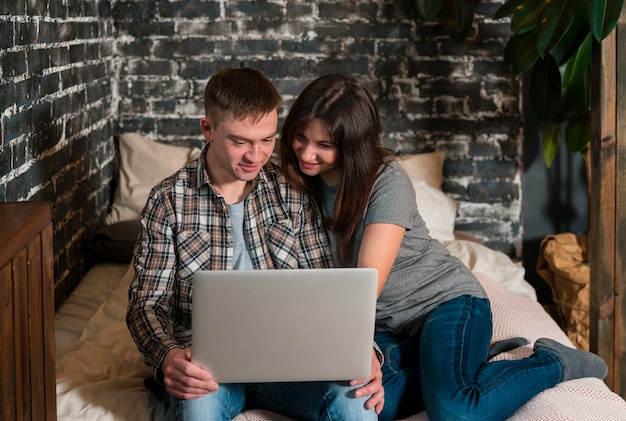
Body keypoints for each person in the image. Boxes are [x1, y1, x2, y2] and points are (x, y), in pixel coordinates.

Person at [278, 74, 608, 421]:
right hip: (388, 328)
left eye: (324, 145)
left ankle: (552, 362)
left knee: (456, 410)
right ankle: (466, 364)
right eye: (300, 136)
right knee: (364, 402)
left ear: (352, 145)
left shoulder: (385, 178)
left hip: (444, 303)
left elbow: (366, 283)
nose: (307, 152)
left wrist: (360, 347)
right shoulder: (295, 184)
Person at [126, 67, 384, 421]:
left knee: (357, 401)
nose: (256, 156)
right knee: (197, 411)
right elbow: (146, 305)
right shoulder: (168, 200)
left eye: (267, 140)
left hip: (293, 362)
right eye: (240, 141)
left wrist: (362, 351)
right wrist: (168, 355)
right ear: (208, 129)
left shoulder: (292, 192)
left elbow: (328, 288)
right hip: (206, 369)